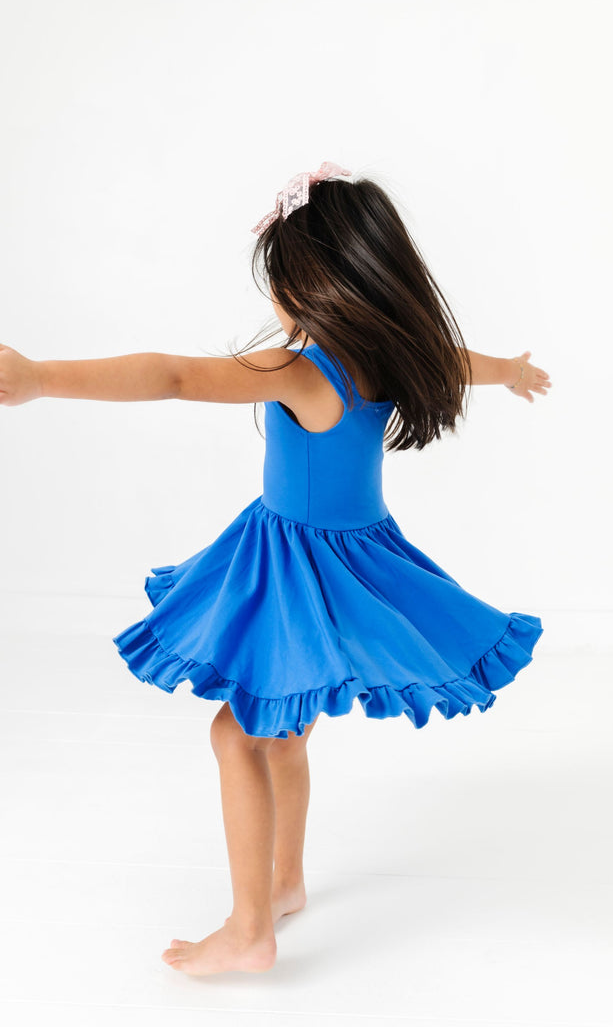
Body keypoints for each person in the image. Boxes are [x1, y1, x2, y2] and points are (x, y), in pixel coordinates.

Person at [0, 160, 551, 977]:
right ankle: (285, 882)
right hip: (350, 563)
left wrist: (41, 378)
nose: (279, 302)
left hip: (301, 575)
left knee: (236, 732)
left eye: (284, 283)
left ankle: (249, 926)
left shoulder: (304, 368)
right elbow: (459, 359)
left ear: (321, 285)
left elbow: (176, 376)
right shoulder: (395, 354)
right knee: (283, 740)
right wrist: (512, 370)